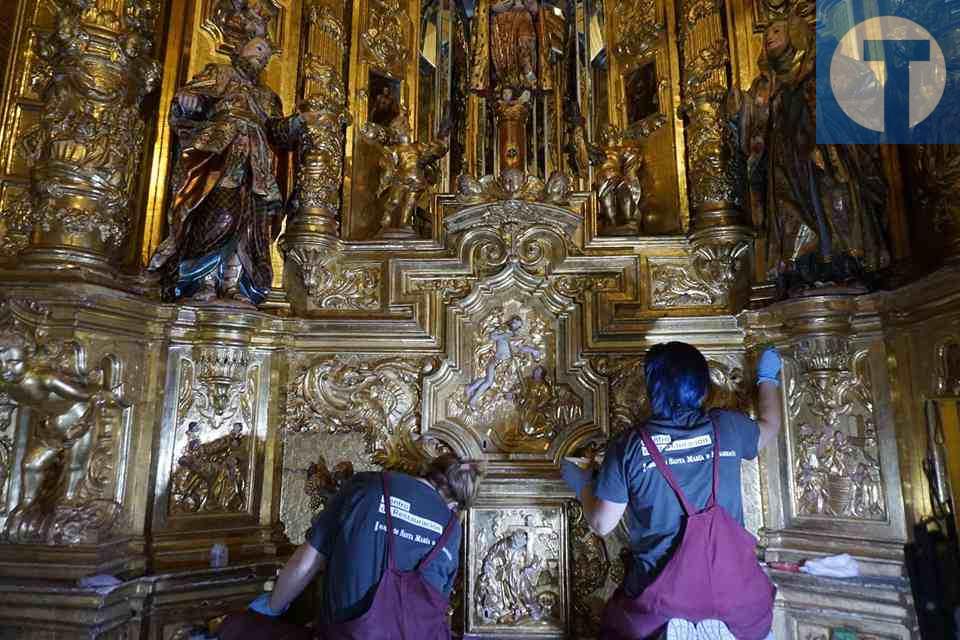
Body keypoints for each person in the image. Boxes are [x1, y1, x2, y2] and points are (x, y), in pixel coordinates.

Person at [561, 341, 783, 639]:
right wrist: (767, 377)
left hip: (660, 608)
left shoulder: (630, 446)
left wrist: (581, 482)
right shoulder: (728, 427)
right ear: (702, 385)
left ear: (653, 389)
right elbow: (770, 424)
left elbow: (603, 523)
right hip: (739, 605)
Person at [219, 453, 485, 640]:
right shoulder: (450, 527)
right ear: (454, 504)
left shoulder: (366, 485)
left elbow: (307, 561)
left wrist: (271, 608)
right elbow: (434, 604)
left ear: (428, 470)